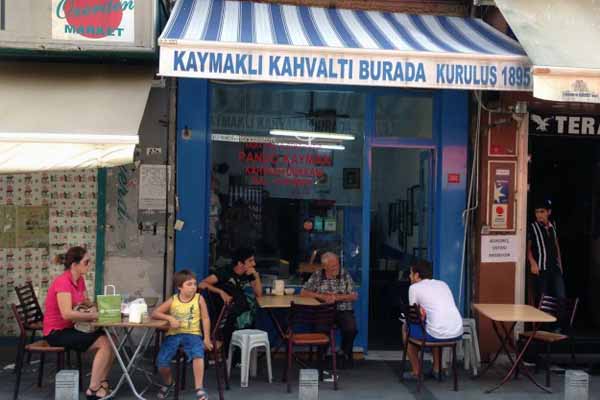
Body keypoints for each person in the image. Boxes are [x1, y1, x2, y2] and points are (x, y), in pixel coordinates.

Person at [43, 246, 115, 400]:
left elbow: (85, 301)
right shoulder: (63, 282)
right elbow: (66, 314)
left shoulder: (79, 279)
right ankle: (93, 389)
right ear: (74, 265)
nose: (89, 265)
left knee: (112, 341)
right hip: (57, 332)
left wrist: (105, 306)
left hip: (73, 327)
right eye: (86, 262)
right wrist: (94, 315)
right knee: (104, 343)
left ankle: (102, 382)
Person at [153, 270, 213, 400]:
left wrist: (207, 338)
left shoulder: (199, 299)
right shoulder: (173, 299)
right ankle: (169, 383)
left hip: (193, 334)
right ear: (179, 287)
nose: (193, 287)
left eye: (194, 284)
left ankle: (199, 387)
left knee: (198, 353)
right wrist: (170, 318)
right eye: (189, 284)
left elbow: (206, 318)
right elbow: (155, 313)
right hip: (174, 334)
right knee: (161, 361)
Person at [404, 260, 463, 379]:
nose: (409, 276)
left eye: (411, 273)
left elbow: (415, 315)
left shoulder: (414, 287)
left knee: (406, 327)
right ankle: (437, 368)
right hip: (456, 331)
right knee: (432, 324)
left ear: (416, 275)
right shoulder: (442, 284)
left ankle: (417, 371)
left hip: (436, 333)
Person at [301, 252, 358, 368]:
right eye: (332, 266)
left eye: (337, 264)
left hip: (343, 309)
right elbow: (303, 293)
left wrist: (336, 298)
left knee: (351, 329)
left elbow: (354, 296)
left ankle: (344, 352)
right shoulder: (318, 275)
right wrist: (323, 297)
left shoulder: (344, 274)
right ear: (324, 267)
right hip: (323, 310)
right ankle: (322, 357)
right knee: (321, 329)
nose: (336, 268)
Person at [199, 247, 262, 350]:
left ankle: (240, 356)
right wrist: (221, 292)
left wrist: (256, 276)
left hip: (239, 311)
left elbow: (258, 294)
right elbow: (202, 284)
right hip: (224, 313)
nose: (254, 264)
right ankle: (232, 354)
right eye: (250, 261)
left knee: (248, 317)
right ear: (240, 263)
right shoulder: (225, 272)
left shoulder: (248, 274)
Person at [527, 198, 566, 301]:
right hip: (541, 269)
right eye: (537, 212)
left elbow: (556, 244)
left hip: (555, 267)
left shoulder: (553, 225)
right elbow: (527, 247)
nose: (539, 214)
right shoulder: (532, 227)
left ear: (549, 212)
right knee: (543, 298)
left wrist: (560, 264)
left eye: (542, 211)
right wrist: (532, 262)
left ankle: (559, 317)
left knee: (561, 296)